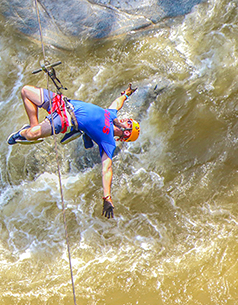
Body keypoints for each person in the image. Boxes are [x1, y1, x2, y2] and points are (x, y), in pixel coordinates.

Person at [8, 84, 140, 218]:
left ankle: (23, 133)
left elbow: (107, 169)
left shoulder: (108, 141)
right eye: (129, 120)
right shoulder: (111, 115)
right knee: (26, 91)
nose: (126, 120)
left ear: (126, 134)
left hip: (65, 119)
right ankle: (33, 125)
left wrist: (107, 197)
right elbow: (117, 103)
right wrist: (126, 94)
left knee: (32, 134)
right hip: (64, 104)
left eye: (129, 124)